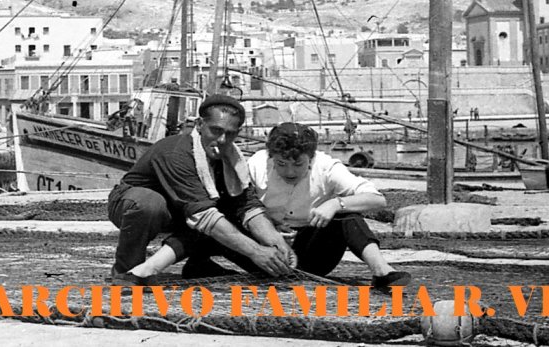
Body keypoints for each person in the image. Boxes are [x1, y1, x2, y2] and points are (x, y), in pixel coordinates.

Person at [106, 94, 293, 284]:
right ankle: (128, 270)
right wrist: (255, 251)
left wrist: (275, 242)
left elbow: (247, 206)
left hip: (184, 210)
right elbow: (203, 215)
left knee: (266, 261)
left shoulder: (232, 161)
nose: (222, 139)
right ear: (199, 125)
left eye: (230, 134)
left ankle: (199, 265)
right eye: (216, 130)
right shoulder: (176, 152)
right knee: (150, 204)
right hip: (134, 205)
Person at [248, 122, 410, 290]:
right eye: (281, 164)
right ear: (271, 157)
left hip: (312, 252)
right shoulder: (256, 164)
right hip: (262, 250)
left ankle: (381, 271)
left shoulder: (327, 167)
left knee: (347, 215)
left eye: (298, 164)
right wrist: (267, 227)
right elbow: (240, 204)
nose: (290, 172)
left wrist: (335, 204)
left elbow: (377, 199)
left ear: (311, 158)